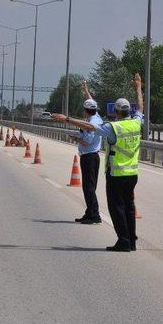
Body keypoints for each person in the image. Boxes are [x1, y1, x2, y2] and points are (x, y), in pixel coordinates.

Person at [52, 73, 143, 252]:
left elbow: (91, 127)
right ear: (128, 111)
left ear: (115, 112)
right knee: (129, 208)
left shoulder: (112, 128)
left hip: (116, 174)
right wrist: (138, 88)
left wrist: (67, 119)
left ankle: (123, 241)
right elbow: (140, 107)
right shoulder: (136, 123)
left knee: (117, 209)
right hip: (132, 174)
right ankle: (131, 241)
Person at [69, 80, 103, 225]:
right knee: (90, 186)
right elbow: (91, 101)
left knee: (88, 187)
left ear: (85, 110)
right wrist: (86, 89)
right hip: (91, 157)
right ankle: (89, 213)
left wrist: (76, 138)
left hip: (89, 157)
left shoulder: (91, 123)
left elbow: (87, 142)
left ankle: (95, 215)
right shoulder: (95, 117)